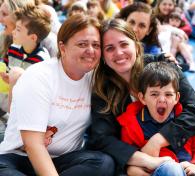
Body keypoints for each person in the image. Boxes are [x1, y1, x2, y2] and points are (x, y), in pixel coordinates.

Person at [87, 18, 195, 175]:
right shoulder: (102, 89)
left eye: (124, 44)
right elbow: (102, 138)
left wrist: (158, 140)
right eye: (109, 48)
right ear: (102, 55)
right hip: (146, 159)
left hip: (179, 151)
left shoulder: (163, 65)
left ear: (136, 46)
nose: (119, 53)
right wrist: (142, 160)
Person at [0, 14, 114, 176]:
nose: (90, 51)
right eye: (82, 44)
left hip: (63, 160)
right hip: (18, 158)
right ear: (62, 47)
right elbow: (33, 145)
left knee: (103, 163)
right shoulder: (39, 76)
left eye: (96, 45)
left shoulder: (96, 78)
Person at [117, 61, 195, 176]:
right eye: (154, 94)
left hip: (191, 169)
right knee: (171, 168)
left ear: (177, 98)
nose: (162, 99)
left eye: (168, 94)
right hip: (161, 171)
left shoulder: (183, 119)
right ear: (142, 98)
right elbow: (130, 157)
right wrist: (131, 168)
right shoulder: (131, 124)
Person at [0, 5, 51, 112]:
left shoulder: (43, 61)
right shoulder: (13, 49)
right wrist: (7, 77)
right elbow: (7, 71)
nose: (13, 32)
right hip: (10, 104)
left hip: (27, 110)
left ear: (33, 37)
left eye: (18, 30)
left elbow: (37, 93)